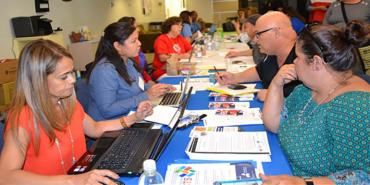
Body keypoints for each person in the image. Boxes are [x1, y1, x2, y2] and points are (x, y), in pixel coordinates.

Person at [0, 39, 153, 184]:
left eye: (72, 72)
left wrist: (134, 118)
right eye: (63, 77)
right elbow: (5, 177)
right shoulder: (22, 119)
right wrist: (72, 181)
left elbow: (95, 128)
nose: (73, 80)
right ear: (38, 81)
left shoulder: (67, 103)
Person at [261, 23, 370, 185]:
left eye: (297, 57)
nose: (294, 62)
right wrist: (276, 84)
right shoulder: (306, 89)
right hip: (284, 169)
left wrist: (303, 183)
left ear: (317, 63)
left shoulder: (354, 106)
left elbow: (362, 176)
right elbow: (274, 124)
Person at [87, 22, 174, 121]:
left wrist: (157, 88)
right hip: (112, 125)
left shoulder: (128, 61)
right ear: (118, 46)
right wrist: (147, 95)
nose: (139, 43)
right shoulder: (104, 71)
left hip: (133, 114)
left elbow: (139, 85)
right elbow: (108, 110)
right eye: (134, 41)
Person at [216, 11, 301, 101]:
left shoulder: (303, 58)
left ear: (276, 32)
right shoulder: (273, 53)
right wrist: (234, 77)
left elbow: (313, 104)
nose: (256, 40)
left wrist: (277, 98)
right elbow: (259, 71)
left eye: (258, 34)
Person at [118, 16, 155, 85]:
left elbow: (141, 69)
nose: (138, 29)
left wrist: (149, 81)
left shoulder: (135, 47)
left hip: (142, 80)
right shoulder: (127, 53)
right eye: (135, 27)